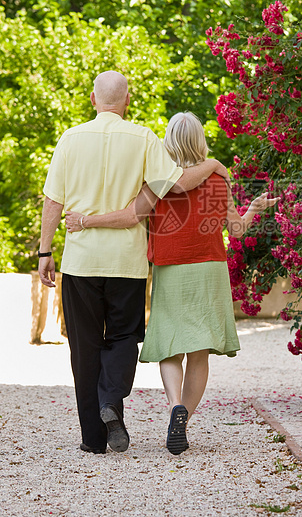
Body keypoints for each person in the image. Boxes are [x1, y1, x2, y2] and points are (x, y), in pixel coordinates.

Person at [38, 72, 230, 456]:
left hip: (80, 262)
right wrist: (213, 165)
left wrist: (45, 252)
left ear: (93, 99)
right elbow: (176, 184)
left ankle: (93, 438)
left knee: (84, 346)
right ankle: (112, 400)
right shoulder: (144, 138)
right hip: (126, 263)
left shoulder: (69, 139)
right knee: (124, 338)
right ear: (126, 100)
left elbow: (53, 202)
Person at [65, 111, 278, 455]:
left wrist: (86, 221)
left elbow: (129, 217)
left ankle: (174, 403)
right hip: (210, 270)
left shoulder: (158, 183)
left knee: (170, 348)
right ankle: (183, 419)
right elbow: (236, 231)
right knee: (199, 353)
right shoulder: (217, 178)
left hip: (171, 270)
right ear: (200, 140)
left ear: (169, 140)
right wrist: (253, 207)